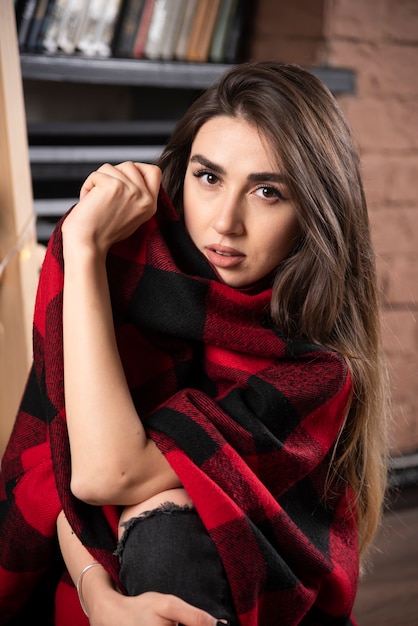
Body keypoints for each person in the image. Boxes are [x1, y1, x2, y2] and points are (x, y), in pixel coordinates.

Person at [0, 61, 389, 626]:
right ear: (180, 176)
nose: (225, 222)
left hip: (241, 586)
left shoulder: (316, 369)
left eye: (267, 191)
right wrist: (98, 595)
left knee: (168, 523)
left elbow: (105, 475)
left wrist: (82, 250)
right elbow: (53, 464)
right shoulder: (130, 269)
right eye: (209, 178)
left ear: (315, 213)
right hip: (93, 569)